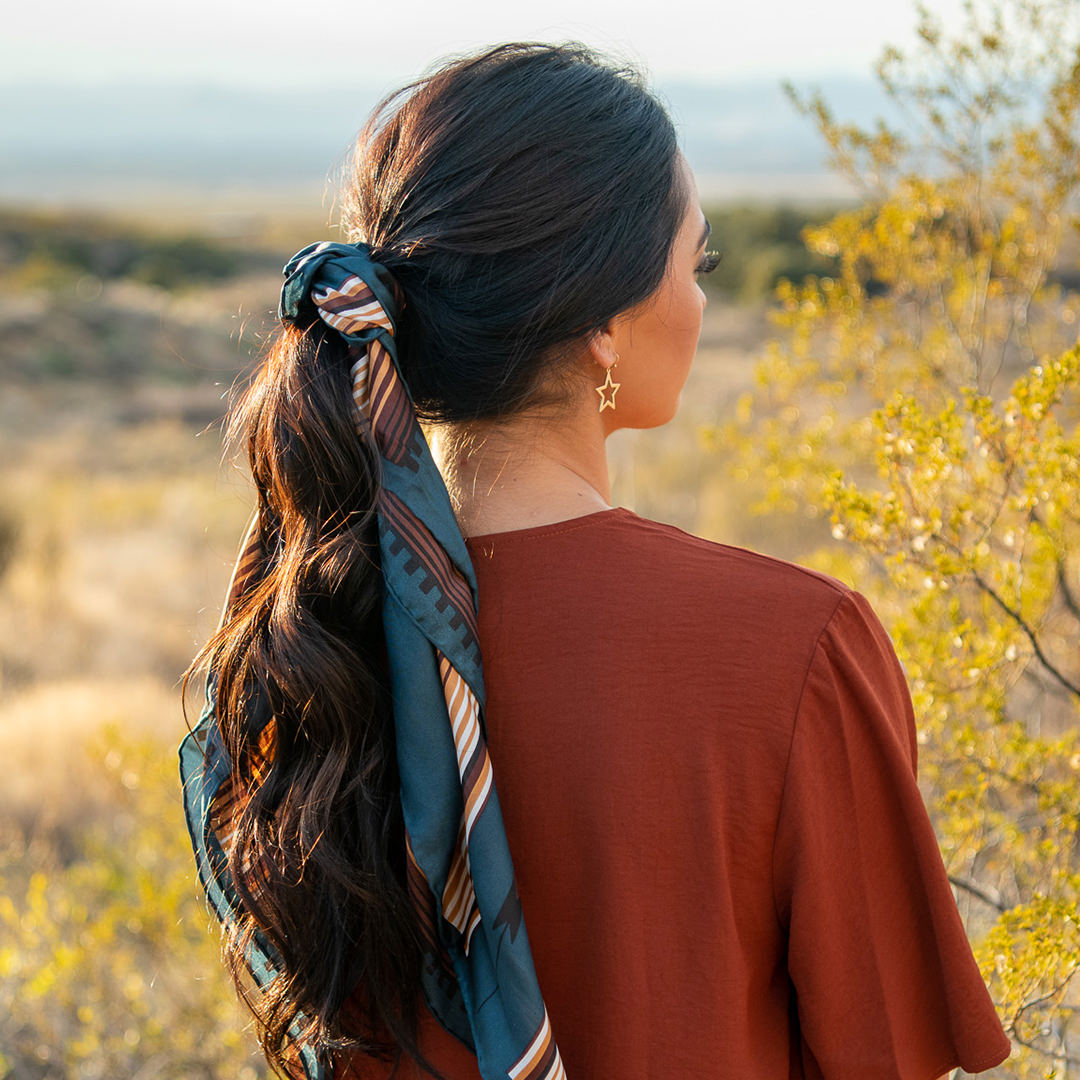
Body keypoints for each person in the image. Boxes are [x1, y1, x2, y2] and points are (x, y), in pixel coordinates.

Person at [179, 42, 1013, 1080]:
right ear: (603, 326)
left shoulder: (299, 642)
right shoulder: (792, 650)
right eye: (693, 262)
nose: (701, 302)